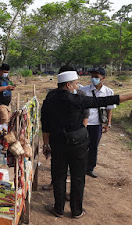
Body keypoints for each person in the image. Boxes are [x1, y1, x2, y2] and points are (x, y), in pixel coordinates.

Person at [41, 71, 132, 219]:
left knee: (59, 176)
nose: (77, 86)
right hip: (78, 143)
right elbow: (105, 101)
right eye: (76, 83)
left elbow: (45, 125)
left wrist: (46, 144)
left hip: (57, 142)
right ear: (68, 85)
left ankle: (58, 209)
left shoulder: (49, 99)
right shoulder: (77, 100)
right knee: (78, 177)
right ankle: (77, 211)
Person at [80, 67, 115, 178]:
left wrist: (108, 123)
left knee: (93, 147)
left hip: (96, 124)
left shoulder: (108, 92)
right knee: (80, 147)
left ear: (103, 78)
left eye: (96, 77)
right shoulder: (84, 90)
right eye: (92, 77)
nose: (93, 79)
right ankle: (78, 167)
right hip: (83, 123)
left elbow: (110, 109)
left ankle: (90, 168)